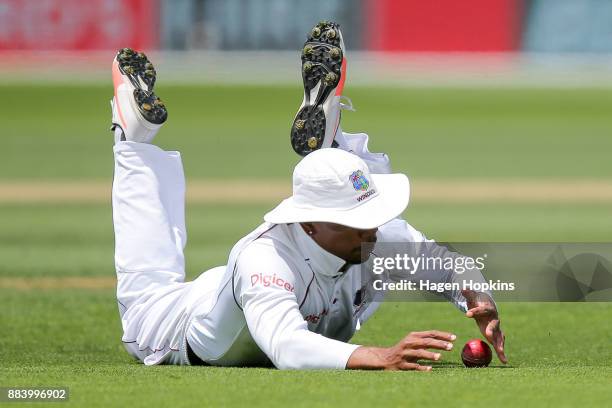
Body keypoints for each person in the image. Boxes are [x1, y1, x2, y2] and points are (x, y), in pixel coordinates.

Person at [109, 21, 506, 370]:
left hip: (235, 293)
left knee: (346, 185)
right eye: (355, 223)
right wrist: (378, 355)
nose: (371, 232)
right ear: (311, 223)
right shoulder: (264, 261)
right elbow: (286, 347)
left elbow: (444, 262)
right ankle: (133, 138)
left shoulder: (370, 238)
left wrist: (476, 293)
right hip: (173, 321)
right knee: (145, 290)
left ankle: (330, 137)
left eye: (370, 218)